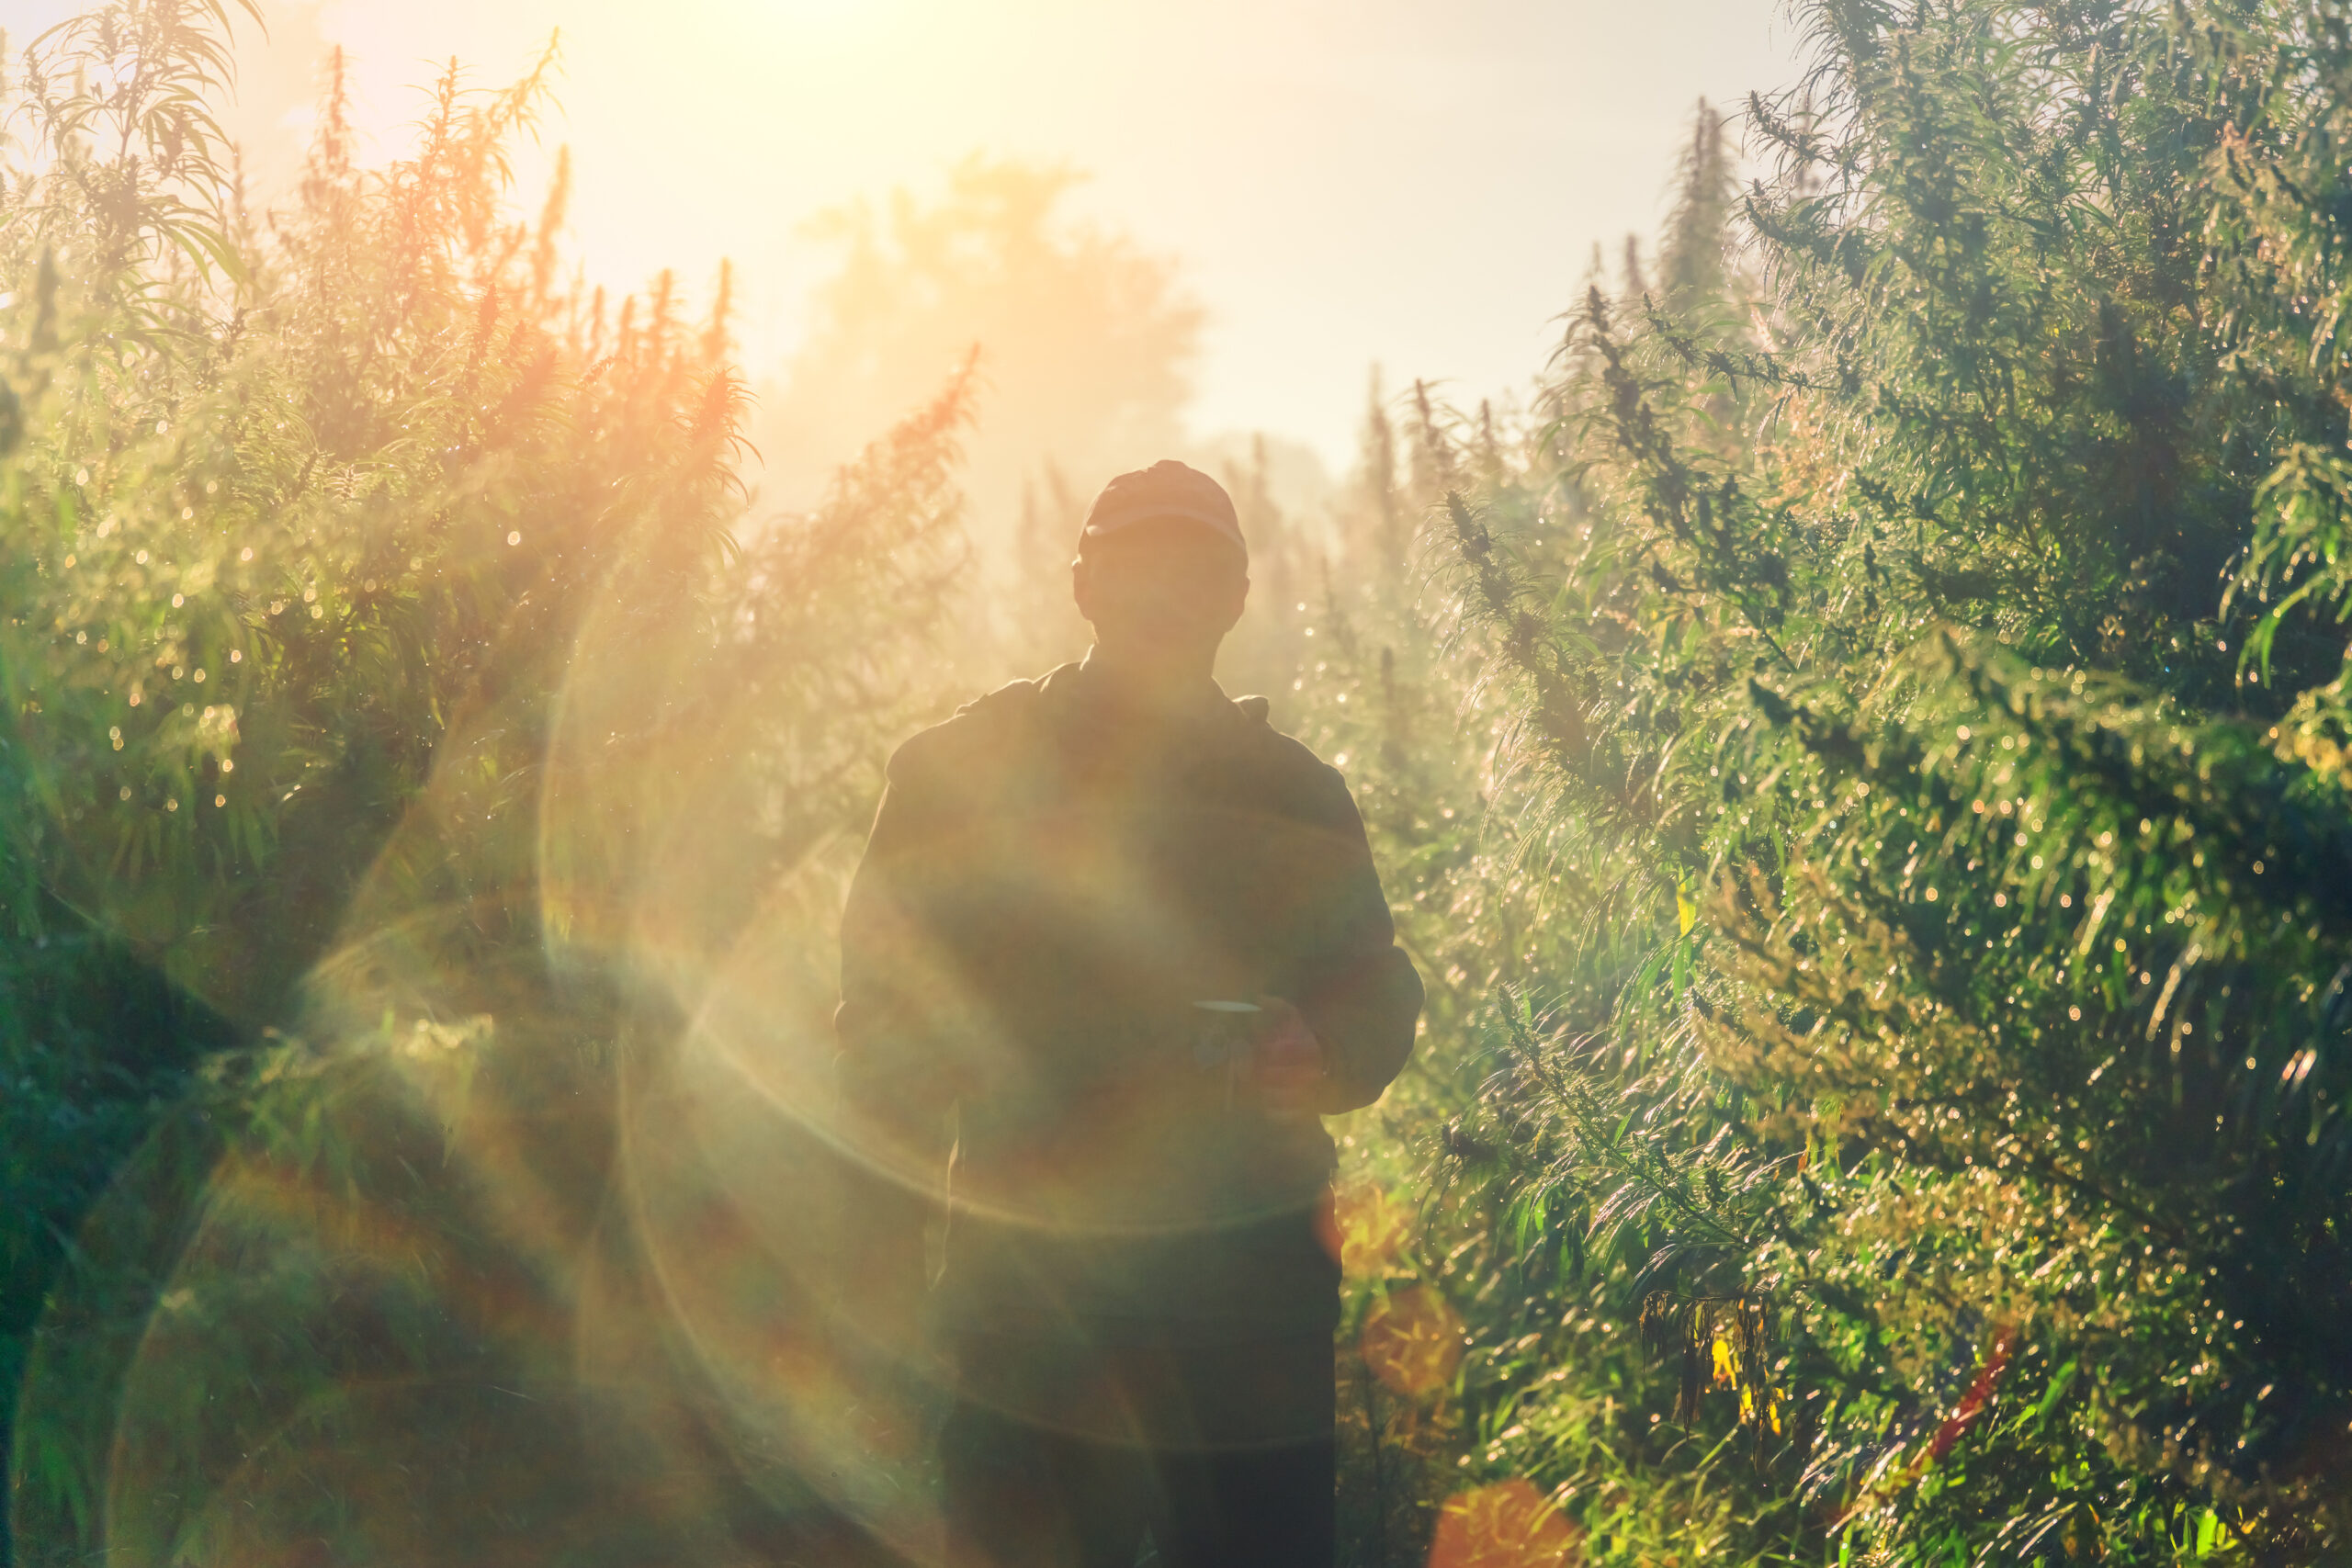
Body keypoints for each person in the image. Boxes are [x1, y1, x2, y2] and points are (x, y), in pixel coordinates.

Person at [832, 459, 1423, 1568]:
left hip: (1249, 1311)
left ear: (1235, 595)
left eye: (1192, 569)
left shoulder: (1299, 793)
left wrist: (1323, 1048)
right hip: (1033, 1310)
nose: (1162, 593)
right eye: (1134, 566)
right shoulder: (961, 772)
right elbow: (875, 1015)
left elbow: (1378, 989)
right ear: (1084, 585)